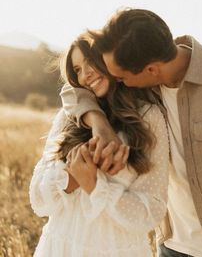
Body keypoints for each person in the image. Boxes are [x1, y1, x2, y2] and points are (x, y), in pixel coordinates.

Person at [60, 9, 202, 257]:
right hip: (172, 246)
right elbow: (74, 91)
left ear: (151, 70)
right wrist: (99, 123)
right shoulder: (140, 75)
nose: (117, 82)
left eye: (120, 78)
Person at [29, 33, 169, 257]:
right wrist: (71, 178)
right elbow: (38, 200)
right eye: (77, 70)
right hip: (60, 246)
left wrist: (96, 186)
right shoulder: (69, 116)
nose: (86, 74)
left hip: (116, 249)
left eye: (90, 61)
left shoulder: (148, 116)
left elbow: (151, 211)